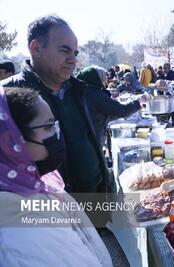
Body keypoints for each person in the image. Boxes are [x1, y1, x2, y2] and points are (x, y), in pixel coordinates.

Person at [0, 86, 112, 266]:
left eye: (55, 125)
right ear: (9, 142)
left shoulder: (33, 186)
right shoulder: (24, 234)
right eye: (48, 127)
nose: (57, 135)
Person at [0, 15, 111, 196]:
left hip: (96, 198)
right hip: (46, 211)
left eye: (75, 53)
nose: (73, 59)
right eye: (64, 51)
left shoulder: (77, 89)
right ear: (36, 48)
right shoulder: (7, 97)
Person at [76, 66, 149, 147]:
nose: (106, 81)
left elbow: (105, 114)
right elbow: (122, 111)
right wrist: (138, 102)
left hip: (87, 137)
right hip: (93, 138)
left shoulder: (86, 91)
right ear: (96, 79)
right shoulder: (96, 95)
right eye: (103, 78)